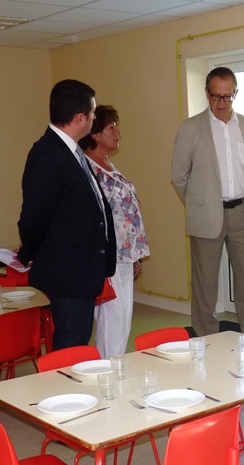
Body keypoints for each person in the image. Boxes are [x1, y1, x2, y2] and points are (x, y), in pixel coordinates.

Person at [17, 79, 116, 351]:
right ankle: (63, 393)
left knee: (79, 339)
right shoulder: (47, 154)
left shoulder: (71, 149)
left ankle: (74, 392)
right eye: (93, 113)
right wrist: (30, 252)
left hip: (81, 268)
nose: (95, 118)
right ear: (79, 117)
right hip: (67, 269)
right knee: (71, 344)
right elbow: (34, 217)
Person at [170, 66, 244, 338]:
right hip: (206, 216)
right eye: (216, 96)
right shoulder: (190, 128)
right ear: (206, 93)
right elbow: (178, 177)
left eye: (227, 96)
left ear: (235, 93)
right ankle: (206, 344)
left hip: (242, 213)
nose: (221, 103)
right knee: (205, 287)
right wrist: (199, 203)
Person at [79, 105, 150, 359]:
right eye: (112, 127)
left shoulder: (109, 165)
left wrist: (135, 256)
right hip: (106, 258)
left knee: (123, 320)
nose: (118, 132)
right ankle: (106, 375)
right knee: (112, 320)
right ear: (96, 134)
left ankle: (117, 369)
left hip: (124, 255)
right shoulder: (86, 167)